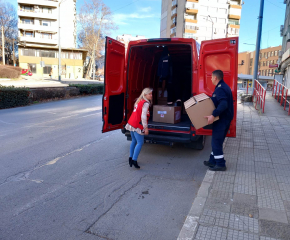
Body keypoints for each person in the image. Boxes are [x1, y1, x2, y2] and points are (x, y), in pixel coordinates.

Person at [204, 70, 234, 171]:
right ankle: (212, 161)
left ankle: (220, 164)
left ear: (215, 77)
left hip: (222, 119)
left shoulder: (220, 89)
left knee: (216, 141)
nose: (211, 79)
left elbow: (223, 104)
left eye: (211, 77)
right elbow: (218, 101)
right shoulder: (223, 87)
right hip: (225, 119)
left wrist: (213, 115)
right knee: (218, 141)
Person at [125, 88, 153, 169]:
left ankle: (130, 158)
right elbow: (143, 116)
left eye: (151, 94)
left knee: (134, 141)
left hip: (131, 123)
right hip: (137, 124)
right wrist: (146, 128)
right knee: (140, 142)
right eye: (149, 94)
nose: (151, 95)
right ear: (145, 95)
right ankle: (134, 160)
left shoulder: (139, 100)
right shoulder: (145, 103)